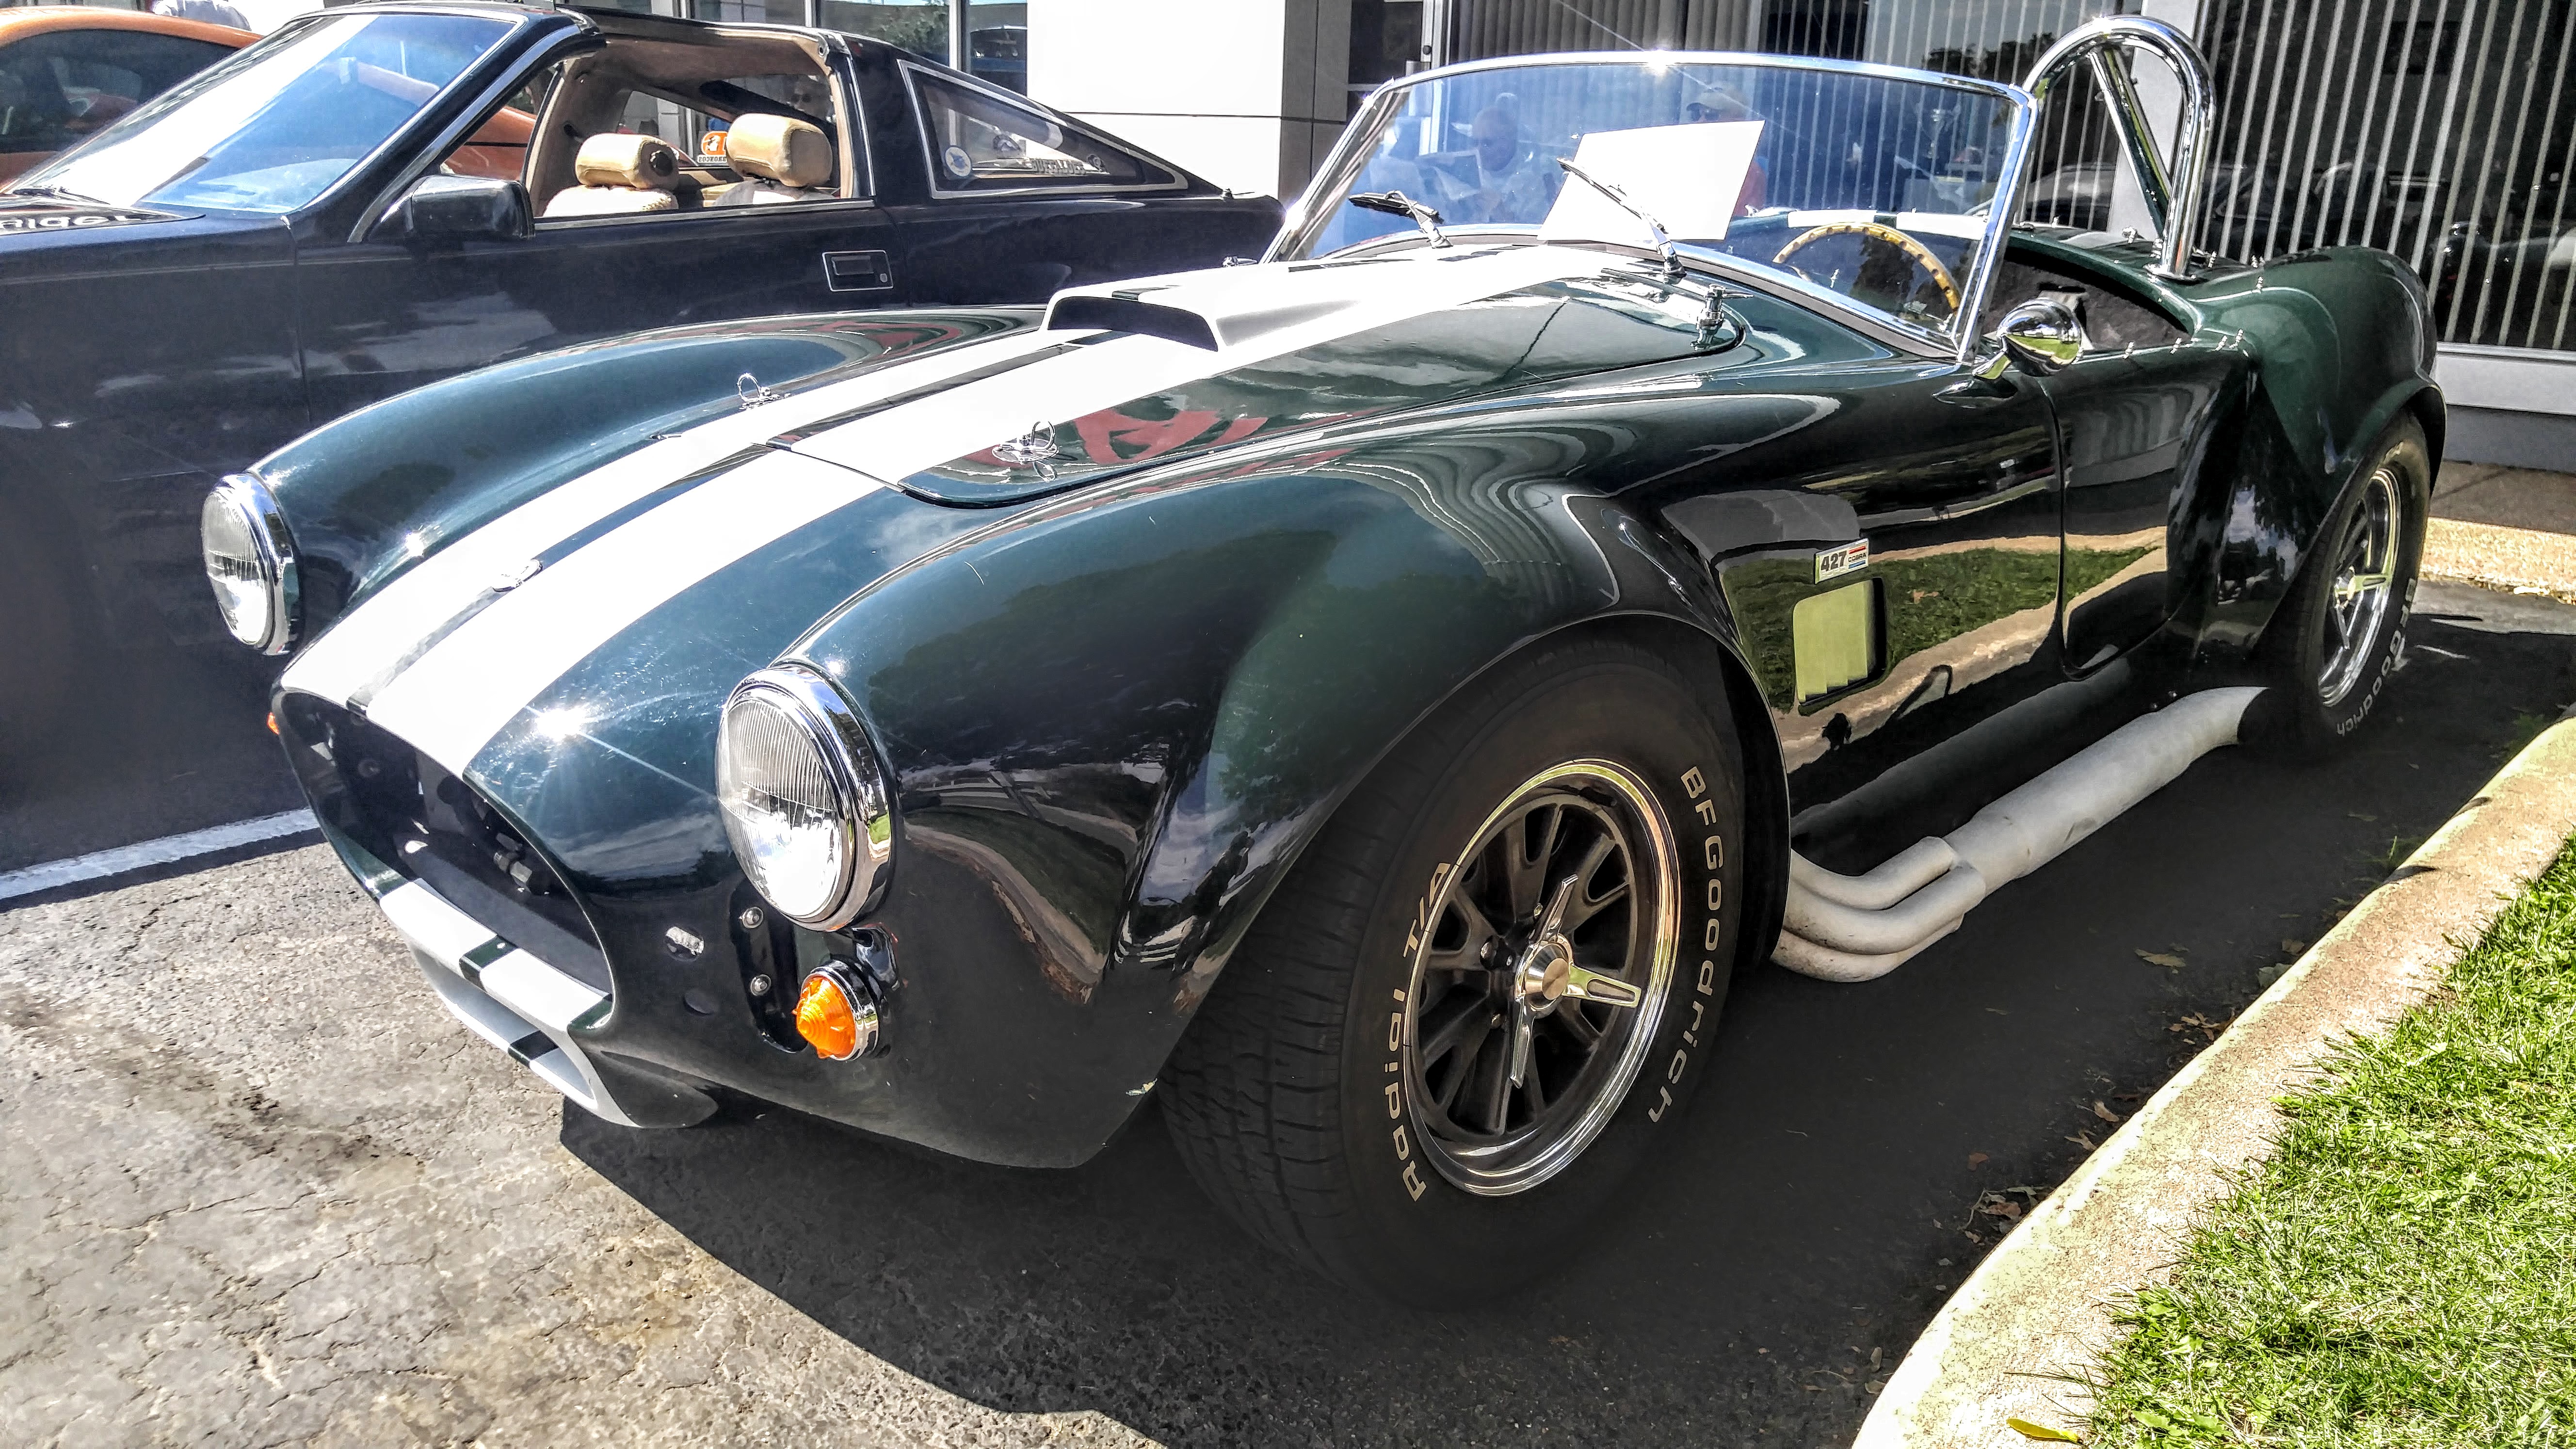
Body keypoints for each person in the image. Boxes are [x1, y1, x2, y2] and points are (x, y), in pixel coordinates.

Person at [1413, 101, 1556, 225]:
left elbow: (1538, 239)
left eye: (1487, 143)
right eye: (1476, 143)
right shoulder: (1466, 174)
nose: (1479, 150)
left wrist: (1501, 213)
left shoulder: (1536, 180)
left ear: (1508, 143)